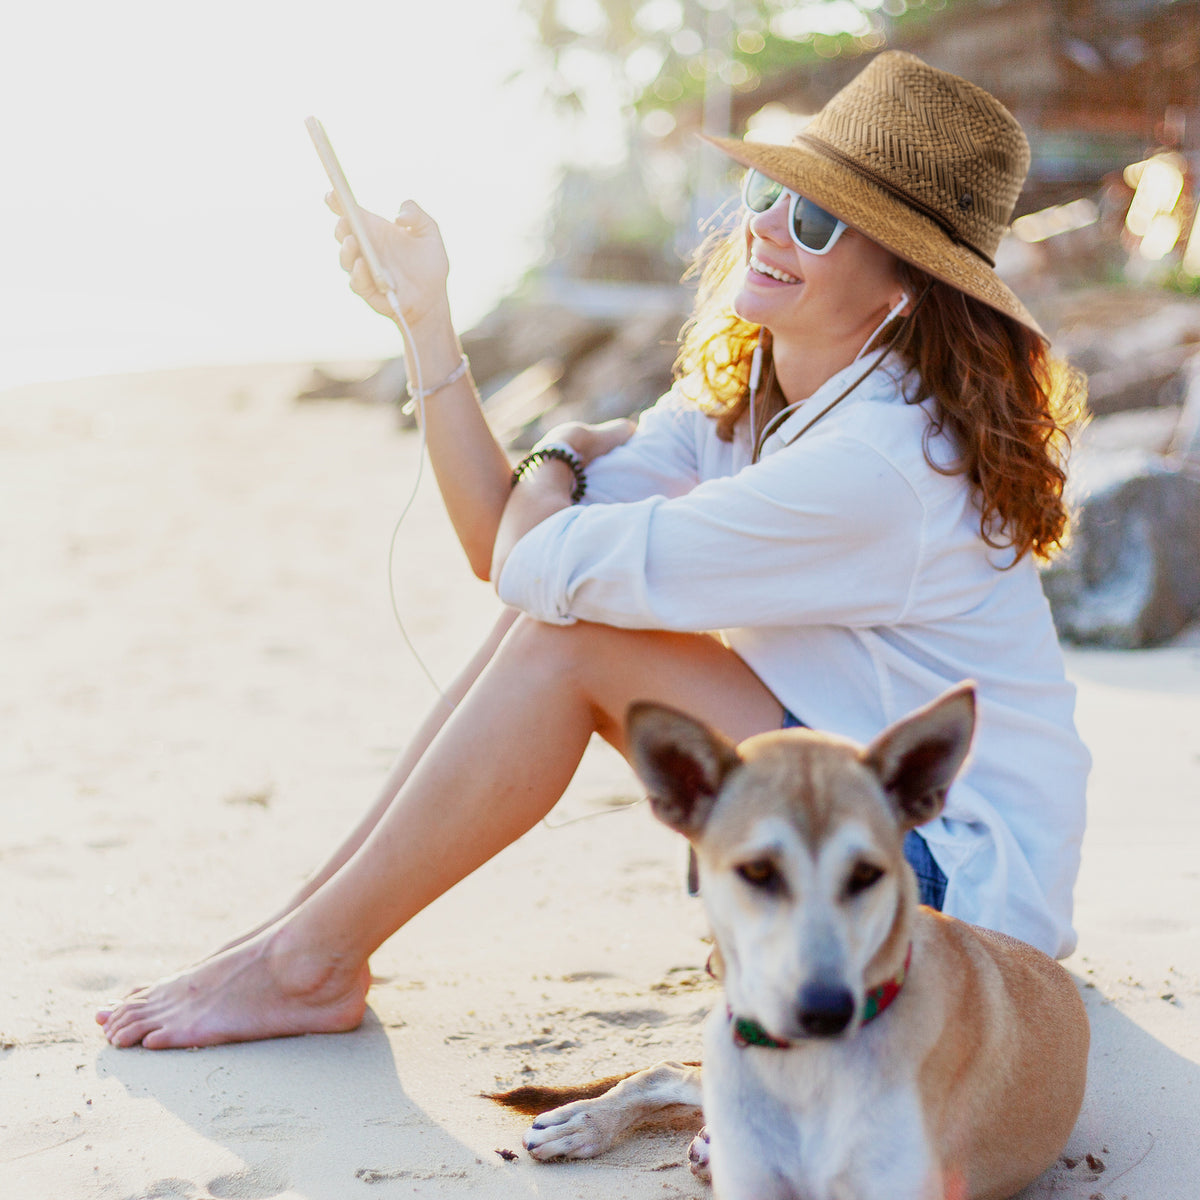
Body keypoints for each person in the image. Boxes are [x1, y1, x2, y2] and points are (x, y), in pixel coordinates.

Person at [97, 50, 1090, 1050]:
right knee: (556, 620)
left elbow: (536, 561)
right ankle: (302, 934)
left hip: (942, 889)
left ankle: (307, 962)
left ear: (902, 291)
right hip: (837, 807)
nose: (767, 227)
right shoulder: (760, 388)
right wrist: (427, 324)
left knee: (569, 640)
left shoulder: (876, 466)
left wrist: (563, 454)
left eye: (817, 222)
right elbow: (504, 546)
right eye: (769, 192)